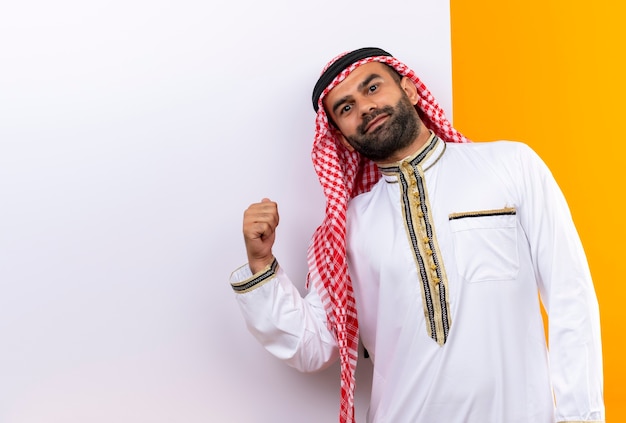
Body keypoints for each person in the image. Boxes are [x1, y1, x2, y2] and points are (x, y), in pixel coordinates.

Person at [229, 47, 605, 423]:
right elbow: (313, 347)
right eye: (346, 108)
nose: (364, 107)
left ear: (409, 90)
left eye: (372, 87)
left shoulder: (511, 167)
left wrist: (580, 416)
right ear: (341, 139)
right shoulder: (348, 228)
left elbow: (569, 295)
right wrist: (261, 264)